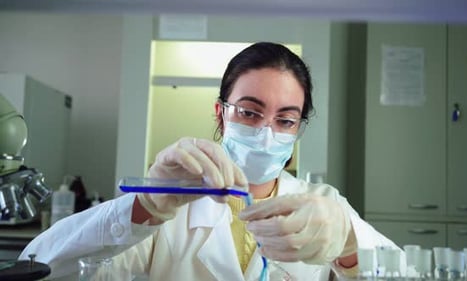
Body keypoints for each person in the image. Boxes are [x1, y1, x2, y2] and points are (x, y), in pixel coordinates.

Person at [20, 42, 402, 280]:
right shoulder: (172, 209)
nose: (267, 132)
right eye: (250, 113)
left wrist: (350, 248)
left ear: (298, 128)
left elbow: (413, 272)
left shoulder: (322, 205)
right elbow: (40, 267)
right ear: (221, 114)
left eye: (285, 120)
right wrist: (145, 207)